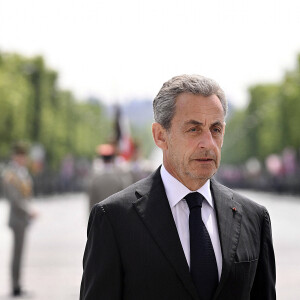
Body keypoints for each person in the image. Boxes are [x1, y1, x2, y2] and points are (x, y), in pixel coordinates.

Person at [80, 75, 276, 300]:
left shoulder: (255, 218)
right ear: (160, 136)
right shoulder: (114, 219)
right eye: (194, 129)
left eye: (216, 129)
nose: (208, 143)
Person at [2, 142, 37, 297]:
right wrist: (28, 210)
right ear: (16, 156)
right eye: (21, 156)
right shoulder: (10, 174)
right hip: (17, 218)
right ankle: (15, 286)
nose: (23, 159)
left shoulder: (22, 173)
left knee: (20, 252)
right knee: (17, 253)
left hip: (22, 219)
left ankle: (18, 283)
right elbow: (15, 199)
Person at [88, 144, 132, 211]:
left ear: (101, 158)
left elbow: (92, 201)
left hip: (100, 215)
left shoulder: (96, 179)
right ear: (112, 158)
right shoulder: (119, 178)